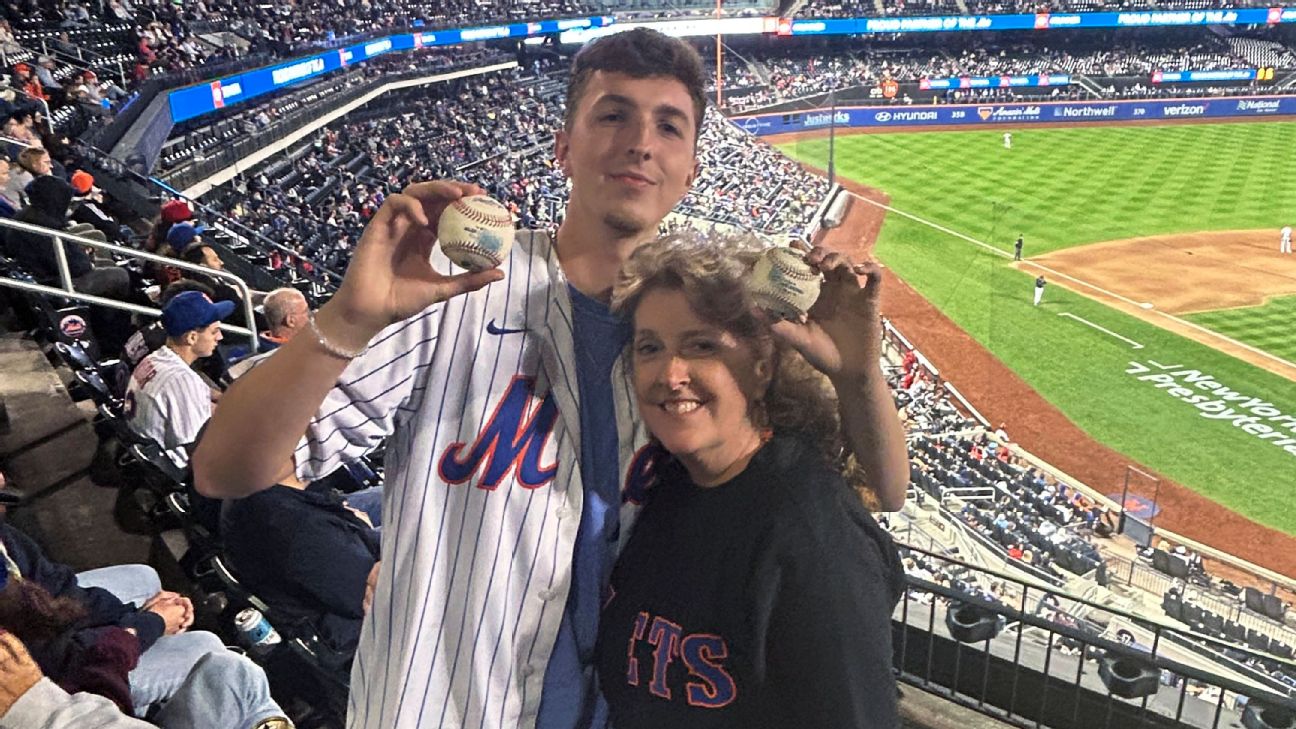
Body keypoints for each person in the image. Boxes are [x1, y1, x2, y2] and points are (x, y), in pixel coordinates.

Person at [194, 28, 908, 729]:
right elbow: (225, 469)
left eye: (669, 125)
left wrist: (856, 377)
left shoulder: (694, 345)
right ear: (563, 147)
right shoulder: (455, 294)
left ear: (691, 167)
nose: (640, 141)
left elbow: (883, 487)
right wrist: (345, 321)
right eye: (613, 114)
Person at [597, 233, 903, 728]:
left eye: (701, 346)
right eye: (649, 347)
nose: (670, 373)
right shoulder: (670, 484)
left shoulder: (813, 537)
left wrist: (859, 375)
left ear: (761, 367)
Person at [221, 466, 381, 655]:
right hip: (343, 623)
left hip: (326, 544)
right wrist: (362, 525)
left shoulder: (252, 487)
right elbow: (367, 592)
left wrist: (343, 512)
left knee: (381, 496)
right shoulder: (299, 529)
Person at [125, 291, 232, 466]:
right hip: (178, 470)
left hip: (149, 455)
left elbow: (205, 393)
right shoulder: (181, 381)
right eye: (214, 331)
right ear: (191, 337)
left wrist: (233, 402)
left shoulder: (157, 357)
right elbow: (198, 448)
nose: (219, 337)